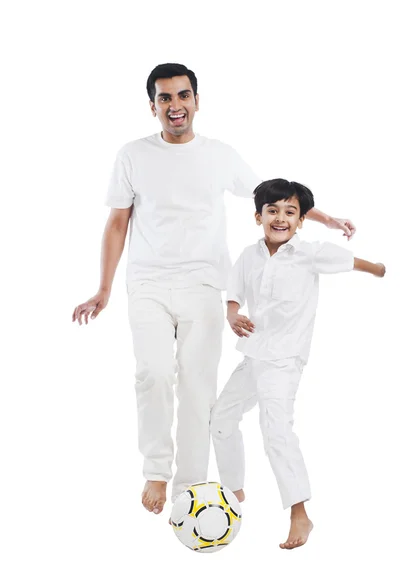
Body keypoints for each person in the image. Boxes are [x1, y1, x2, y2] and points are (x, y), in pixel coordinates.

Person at [72, 63, 356, 516]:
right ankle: (156, 470)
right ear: (153, 107)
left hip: (205, 283)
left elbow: (271, 196)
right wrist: (103, 288)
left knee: (198, 386)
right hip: (146, 281)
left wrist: (327, 218)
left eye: (183, 96)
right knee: (154, 374)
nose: (175, 105)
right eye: (165, 98)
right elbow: (116, 223)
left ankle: (189, 483)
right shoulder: (132, 155)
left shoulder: (219, 154)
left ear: (196, 101)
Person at [210, 178, 385, 549]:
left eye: (290, 212)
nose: (281, 218)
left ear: (301, 220)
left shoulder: (311, 253)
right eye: (272, 211)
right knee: (221, 417)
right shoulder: (249, 255)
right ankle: (235, 492)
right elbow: (234, 294)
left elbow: (355, 262)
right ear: (258, 217)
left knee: (276, 431)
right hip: (253, 354)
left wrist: (382, 269)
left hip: (285, 359)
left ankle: (300, 514)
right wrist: (232, 314)